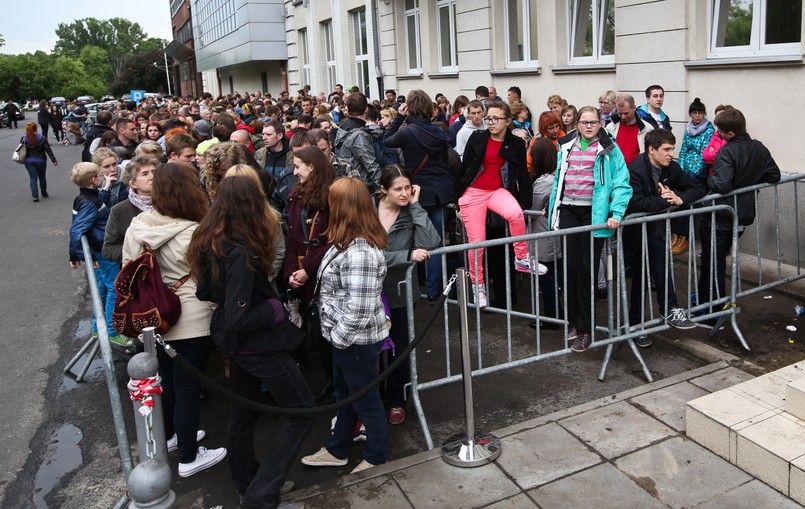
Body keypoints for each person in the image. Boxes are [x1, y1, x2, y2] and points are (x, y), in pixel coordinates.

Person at [189, 175, 310, 508]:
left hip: (234, 343)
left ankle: (248, 482)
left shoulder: (211, 240)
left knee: (243, 414)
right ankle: (260, 494)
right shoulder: (239, 252)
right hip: (257, 344)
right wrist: (273, 309)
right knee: (302, 412)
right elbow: (239, 317)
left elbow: (204, 291)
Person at [123, 163, 225, 479]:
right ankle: (189, 457)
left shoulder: (138, 225)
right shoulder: (195, 231)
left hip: (153, 317)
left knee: (167, 381)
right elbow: (210, 279)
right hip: (191, 315)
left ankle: (170, 436)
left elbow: (127, 268)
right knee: (188, 387)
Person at [301, 177, 389, 474]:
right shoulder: (347, 242)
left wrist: (338, 338)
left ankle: (377, 457)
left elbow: (359, 308)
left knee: (365, 400)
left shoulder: (360, 251)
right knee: (347, 397)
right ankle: (337, 448)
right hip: (348, 339)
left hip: (355, 341)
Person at [547, 106, 632, 352]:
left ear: (600, 124)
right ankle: (574, 322)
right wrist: (552, 208)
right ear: (577, 123)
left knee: (587, 271)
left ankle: (586, 329)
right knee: (570, 268)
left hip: (594, 215)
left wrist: (616, 213)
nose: (588, 126)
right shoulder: (566, 145)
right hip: (569, 212)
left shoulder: (609, 148)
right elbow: (559, 180)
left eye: (593, 122)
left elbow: (622, 183)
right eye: (584, 122)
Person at [455, 101, 545, 308]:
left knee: (516, 214)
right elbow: (465, 167)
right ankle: (478, 287)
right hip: (473, 193)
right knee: (477, 244)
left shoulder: (515, 143)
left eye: (496, 118)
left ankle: (521, 258)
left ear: (507, 121)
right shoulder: (478, 137)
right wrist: (456, 197)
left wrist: (525, 202)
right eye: (489, 118)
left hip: (497, 191)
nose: (491, 122)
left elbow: (522, 174)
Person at [624, 129, 706, 347]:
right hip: (635, 233)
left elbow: (698, 187)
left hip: (656, 231)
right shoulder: (635, 170)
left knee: (659, 267)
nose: (671, 154)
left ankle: (665, 310)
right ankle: (640, 324)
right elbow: (635, 202)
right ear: (652, 150)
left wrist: (679, 198)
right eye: (666, 149)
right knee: (640, 280)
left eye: (672, 149)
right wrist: (665, 201)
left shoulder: (671, 167)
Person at [696, 108, 781, 311]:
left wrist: (709, 179)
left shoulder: (727, 151)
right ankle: (708, 302)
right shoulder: (759, 148)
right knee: (718, 260)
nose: (719, 134)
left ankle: (712, 309)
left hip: (720, 214)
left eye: (720, 131)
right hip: (741, 215)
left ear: (731, 133)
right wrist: (750, 180)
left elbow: (722, 184)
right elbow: (773, 175)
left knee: (713, 263)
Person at [376, 165, 440, 424]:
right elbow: (367, 255)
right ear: (383, 189)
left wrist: (416, 206)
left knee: (400, 352)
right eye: (398, 189)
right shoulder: (367, 209)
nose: (404, 193)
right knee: (372, 351)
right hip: (369, 292)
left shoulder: (410, 210)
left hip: (401, 293)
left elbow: (431, 242)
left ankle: (397, 401)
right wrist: (405, 256)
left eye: (407, 188)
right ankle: (373, 401)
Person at [382, 89, 455, 302]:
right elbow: (444, 161)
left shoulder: (407, 132)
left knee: (409, 242)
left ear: (410, 107)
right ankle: (432, 291)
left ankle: (412, 289)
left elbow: (386, 140)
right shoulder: (440, 132)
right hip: (440, 192)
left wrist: (398, 117)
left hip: (416, 193)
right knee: (435, 242)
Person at [68, 162, 123, 345]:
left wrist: (106, 189)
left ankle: (96, 328)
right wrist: (82, 255)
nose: (103, 177)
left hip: (97, 252)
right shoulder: (89, 204)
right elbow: (77, 230)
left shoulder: (85, 197)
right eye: (100, 175)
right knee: (114, 289)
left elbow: (100, 205)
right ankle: (111, 331)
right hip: (102, 252)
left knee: (101, 289)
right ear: (93, 180)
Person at [672, 98, 715, 255]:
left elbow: (705, 153)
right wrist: (681, 170)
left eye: (700, 113)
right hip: (687, 172)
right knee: (680, 202)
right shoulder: (688, 129)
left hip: (699, 174)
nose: (697, 116)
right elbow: (683, 149)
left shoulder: (709, 131)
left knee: (690, 203)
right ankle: (677, 235)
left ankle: (685, 237)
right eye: (694, 113)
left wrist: (694, 173)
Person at [527, 138, 562, 330]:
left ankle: (551, 317)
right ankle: (557, 313)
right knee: (554, 276)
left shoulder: (543, 181)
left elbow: (533, 210)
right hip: (553, 233)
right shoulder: (558, 175)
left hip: (542, 234)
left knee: (547, 278)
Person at [102, 155, 159, 264]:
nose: (152, 177)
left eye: (154, 172)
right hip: (140, 269)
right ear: (133, 183)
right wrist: (138, 254)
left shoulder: (171, 203)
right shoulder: (119, 210)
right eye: (145, 174)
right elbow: (109, 249)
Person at [333, 92, 382, 194]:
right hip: (360, 189)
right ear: (366, 109)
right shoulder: (359, 135)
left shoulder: (343, 126)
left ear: (347, 108)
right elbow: (371, 166)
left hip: (346, 185)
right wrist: (382, 191)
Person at [21, 122, 57, 202]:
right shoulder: (42, 138)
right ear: (36, 129)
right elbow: (48, 149)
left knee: (33, 178)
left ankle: (35, 196)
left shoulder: (24, 139)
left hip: (29, 160)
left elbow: (21, 149)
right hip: (41, 160)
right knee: (42, 177)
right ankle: (44, 193)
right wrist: (53, 160)